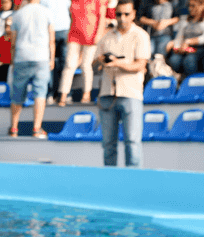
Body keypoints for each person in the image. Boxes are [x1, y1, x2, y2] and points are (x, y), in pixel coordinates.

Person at [96, 1, 151, 166]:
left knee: (132, 143)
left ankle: (133, 184)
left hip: (130, 93)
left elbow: (140, 65)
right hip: (107, 93)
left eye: (126, 14)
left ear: (133, 14)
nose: (122, 18)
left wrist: (117, 63)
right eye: (119, 14)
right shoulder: (106, 36)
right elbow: (97, 60)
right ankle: (110, 182)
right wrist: (102, 60)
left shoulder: (141, 35)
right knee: (108, 144)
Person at [8, 0, 54, 137]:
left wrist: (12, 59)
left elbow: (13, 42)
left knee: (17, 95)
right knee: (40, 94)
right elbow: (51, 39)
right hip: (41, 57)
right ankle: (36, 128)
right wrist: (52, 58)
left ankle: (14, 128)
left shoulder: (17, 14)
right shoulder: (47, 12)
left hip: (21, 56)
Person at [57, 0, 106, 104]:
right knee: (69, 65)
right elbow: (70, 17)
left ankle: (86, 94)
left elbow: (102, 18)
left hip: (91, 36)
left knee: (86, 65)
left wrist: (99, 34)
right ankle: (63, 95)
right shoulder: (74, 1)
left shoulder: (97, 1)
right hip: (74, 35)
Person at [165, 0, 204, 78]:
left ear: (202, 5)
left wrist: (188, 42)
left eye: (193, 6)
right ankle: (181, 81)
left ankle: (193, 83)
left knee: (189, 59)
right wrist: (176, 46)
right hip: (186, 48)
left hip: (201, 48)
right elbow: (179, 37)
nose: (190, 8)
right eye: (189, 6)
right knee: (174, 60)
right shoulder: (186, 19)